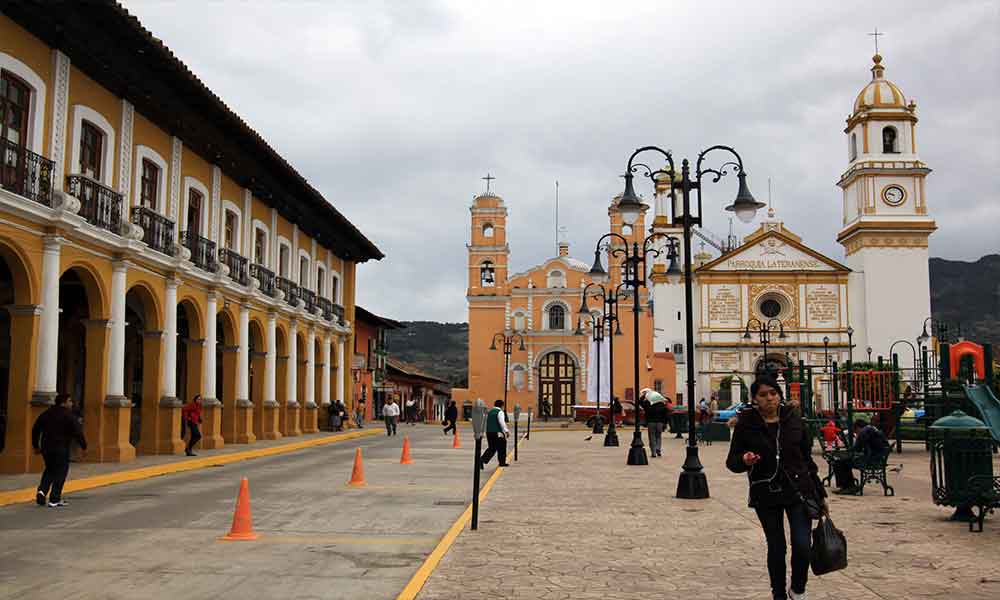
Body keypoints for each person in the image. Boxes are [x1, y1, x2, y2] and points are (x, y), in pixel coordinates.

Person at [727, 376, 828, 600]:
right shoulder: (747, 423)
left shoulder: (794, 420)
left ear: (779, 395)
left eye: (773, 393)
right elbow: (731, 461)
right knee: (777, 546)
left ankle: (798, 588)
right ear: (754, 398)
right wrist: (744, 459)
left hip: (798, 490)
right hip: (766, 491)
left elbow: (806, 459)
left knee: (802, 545)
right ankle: (779, 593)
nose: (769, 398)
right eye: (763, 395)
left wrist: (820, 494)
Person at [32, 393, 87, 508]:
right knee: (60, 473)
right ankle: (54, 499)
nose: (71, 404)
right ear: (64, 402)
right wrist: (84, 446)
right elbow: (78, 432)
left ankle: (42, 491)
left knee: (49, 470)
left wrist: (36, 446)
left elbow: (36, 429)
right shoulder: (69, 416)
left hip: (46, 448)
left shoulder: (46, 413)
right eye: (70, 401)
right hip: (61, 448)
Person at [832, 419, 891, 494]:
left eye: (855, 431)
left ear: (858, 428)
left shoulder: (864, 432)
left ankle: (848, 487)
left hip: (870, 460)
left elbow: (857, 448)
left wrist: (846, 452)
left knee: (839, 462)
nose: (856, 433)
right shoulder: (872, 428)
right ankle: (849, 485)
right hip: (878, 458)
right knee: (845, 461)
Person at [479, 400, 509, 467]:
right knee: (502, 447)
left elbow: (485, 422)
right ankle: (502, 462)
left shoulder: (489, 412)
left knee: (492, 448)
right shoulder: (500, 412)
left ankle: (482, 460)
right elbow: (502, 422)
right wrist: (506, 431)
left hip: (489, 432)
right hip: (497, 433)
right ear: (502, 405)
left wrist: (482, 432)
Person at [639, 388, 669, 458]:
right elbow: (666, 414)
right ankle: (658, 448)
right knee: (658, 436)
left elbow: (640, 402)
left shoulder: (647, 404)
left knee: (652, 437)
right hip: (660, 423)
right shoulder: (662, 404)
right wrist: (665, 423)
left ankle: (653, 452)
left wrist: (644, 395)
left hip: (651, 422)